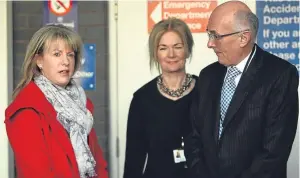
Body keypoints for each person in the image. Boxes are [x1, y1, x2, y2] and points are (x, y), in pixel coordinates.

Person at [185, 1, 299, 178]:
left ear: (243, 38)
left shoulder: (280, 75)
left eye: (216, 36)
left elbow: (274, 152)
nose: (210, 43)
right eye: (209, 34)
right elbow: (193, 137)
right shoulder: (207, 76)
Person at [5, 24, 108, 178]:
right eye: (57, 54)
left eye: (70, 54)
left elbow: (99, 163)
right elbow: (36, 173)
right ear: (39, 61)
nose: (66, 61)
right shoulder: (27, 111)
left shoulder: (81, 105)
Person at [123, 18, 197, 178]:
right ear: (155, 54)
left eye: (177, 47)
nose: (171, 54)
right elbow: (133, 159)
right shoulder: (142, 99)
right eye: (163, 48)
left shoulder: (206, 91)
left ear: (188, 49)